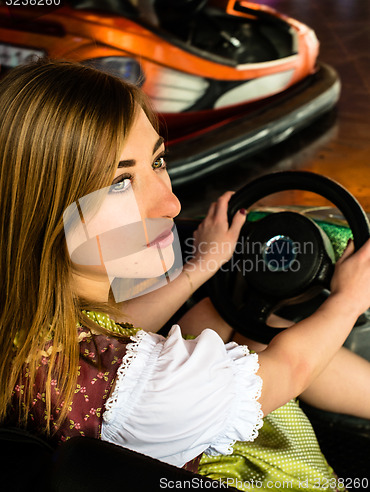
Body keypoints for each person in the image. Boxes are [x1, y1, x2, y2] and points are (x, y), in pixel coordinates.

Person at [1, 59, 370, 492]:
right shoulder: (149, 387)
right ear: (42, 210)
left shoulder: (26, 315)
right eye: (120, 182)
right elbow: (291, 367)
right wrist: (349, 299)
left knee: (218, 311)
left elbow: (114, 329)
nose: (170, 206)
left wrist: (202, 268)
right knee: (267, 334)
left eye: (157, 162)